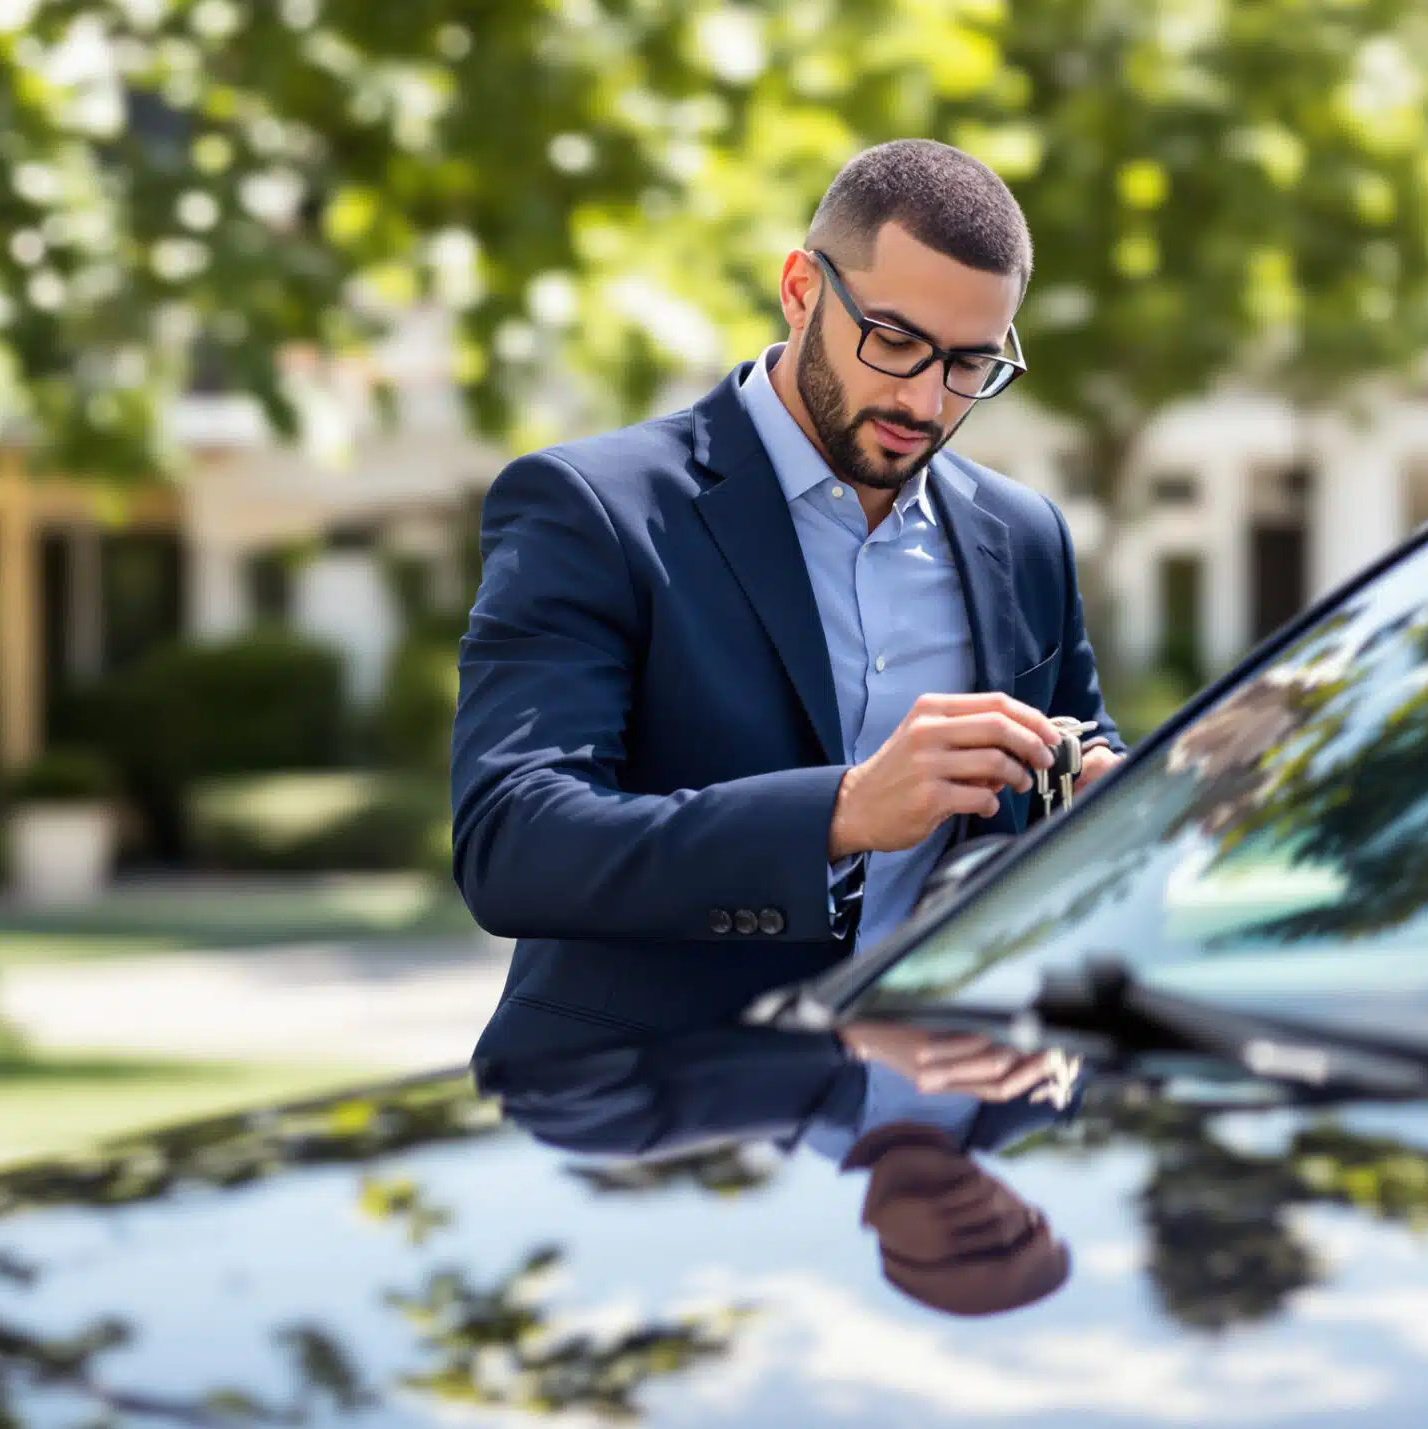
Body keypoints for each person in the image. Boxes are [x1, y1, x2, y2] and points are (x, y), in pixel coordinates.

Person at [453, 140, 1119, 1071]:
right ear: (802, 289)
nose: (926, 399)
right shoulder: (591, 509)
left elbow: (1084, 747)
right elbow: (514, 842)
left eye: (970, 365)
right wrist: (841, 811)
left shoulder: (1024, 534)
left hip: (935, 1142)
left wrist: (1116, 796)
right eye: (894, 340)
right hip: (656, 1137)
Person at [489, 1022, 1078, 1318]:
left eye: (969, 1254)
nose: (994, 1227)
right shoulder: (1055, 1079)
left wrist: (845, 1042)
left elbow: (537, 1090)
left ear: (874, 1226)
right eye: (1025, 1230)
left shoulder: (736, 1107)